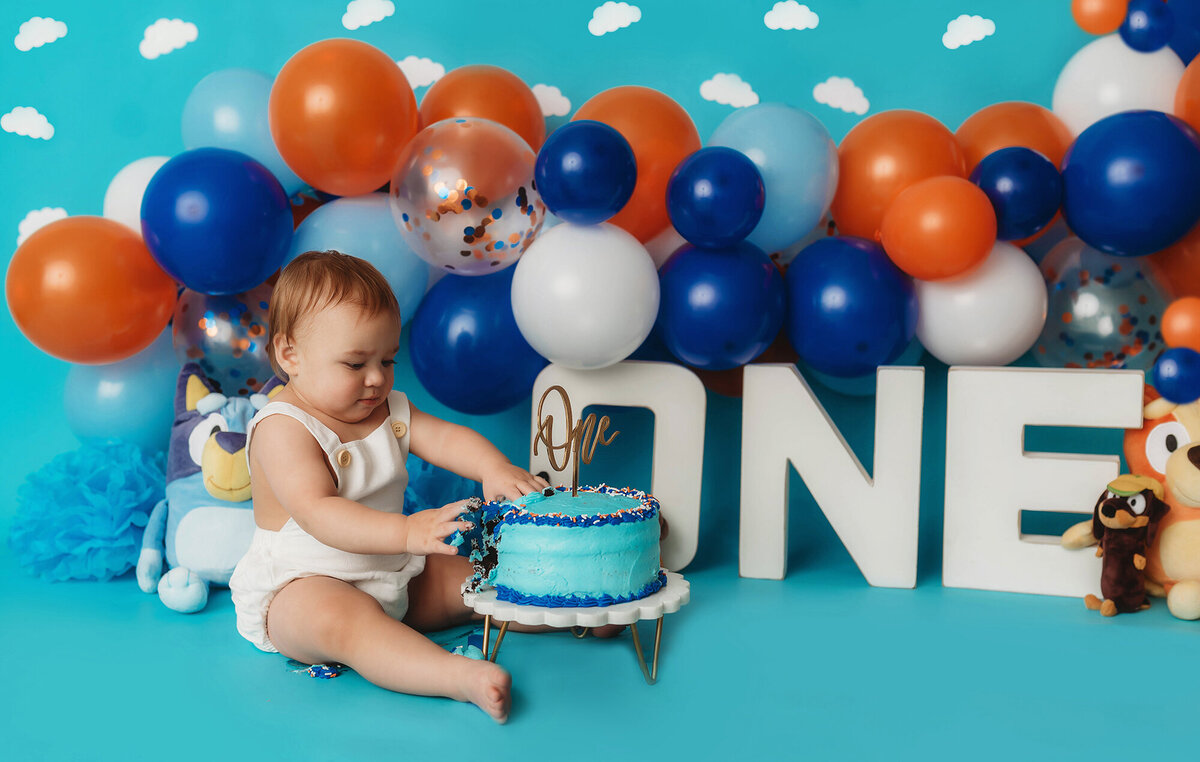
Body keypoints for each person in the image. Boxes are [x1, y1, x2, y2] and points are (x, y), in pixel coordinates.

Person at [230, 250, 547, 723]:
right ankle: (456, 676)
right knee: (347, 624)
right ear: (289, 354)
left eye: (387, 359)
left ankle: (578, 616)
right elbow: (318, 512)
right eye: (355, 364)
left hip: (394, 567)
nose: (376, 379)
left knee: (485, 582)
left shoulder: (386, 410)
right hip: (303, 585)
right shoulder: (283, 427)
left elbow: (444, 437)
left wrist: (492, 468)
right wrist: (406, 533)